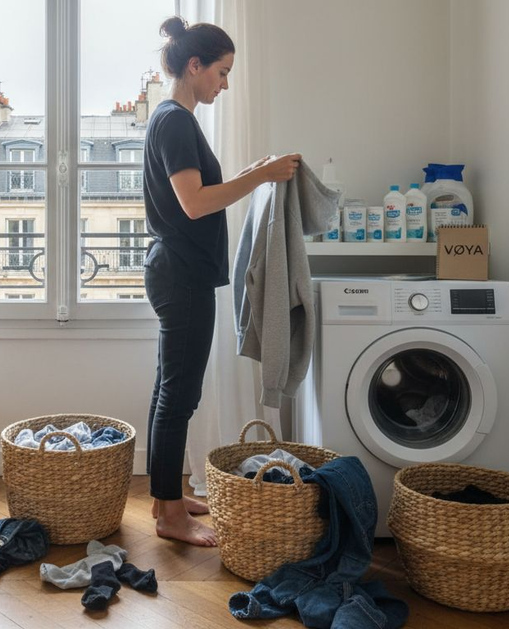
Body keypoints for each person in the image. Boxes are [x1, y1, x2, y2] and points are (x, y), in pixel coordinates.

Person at [143, 15, 301, 546]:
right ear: (195, 66)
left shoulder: (174, 120)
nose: (226, 84)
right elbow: (194, 204)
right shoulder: (176, 122)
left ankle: (166, 495)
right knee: (179, 394)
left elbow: (201, 193)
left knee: (171, 388)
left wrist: (251, 171)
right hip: (182, 274)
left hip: (179, 270)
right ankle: (169, 516)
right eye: (222, 72)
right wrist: (259, 176)